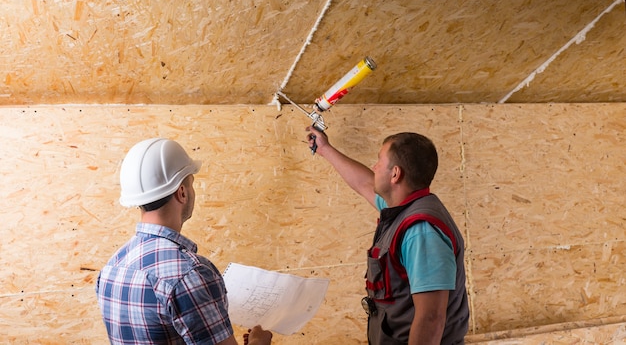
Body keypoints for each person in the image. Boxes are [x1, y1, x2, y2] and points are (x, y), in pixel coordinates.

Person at [96, 138, 272, 345]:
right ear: (182, 192)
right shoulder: (190, 274)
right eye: (191, 184)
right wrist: (259, 341)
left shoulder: (113, 266)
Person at [306, 127, 469, 345]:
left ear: (395, 174)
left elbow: (431, 318)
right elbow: (364, 183)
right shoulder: (403, 208)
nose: (374, 167)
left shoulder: (421, 231)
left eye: (379, 161)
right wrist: (325, 149)